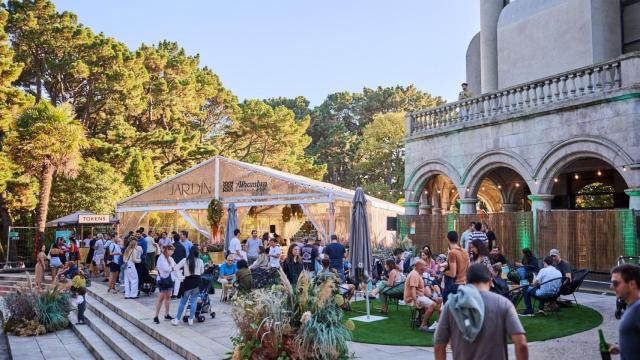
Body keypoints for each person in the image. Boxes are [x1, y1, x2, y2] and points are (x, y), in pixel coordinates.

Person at [434, 264, 528, 360]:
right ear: (491, 281)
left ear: (466, 281)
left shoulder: (452, 304)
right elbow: (521, 343)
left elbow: (439, 346)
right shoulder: (503, 303)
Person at [608, 264, 640, 359]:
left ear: (632, 284)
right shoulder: (631, 306)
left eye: (615, 283)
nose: (611, 287)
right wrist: (620, 349)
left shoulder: (638, 308)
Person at [404, 259, 441, 332]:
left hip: (419, 296)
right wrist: (415, 301)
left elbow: (421, 288)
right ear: (419, 266)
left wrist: (431, 296)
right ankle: (423, 325)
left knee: (437, 302)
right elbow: (413, 289)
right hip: (412, 298)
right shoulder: (414, 274)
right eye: (425, 266)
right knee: (433, 304)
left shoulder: (418, 274)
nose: (426, 268)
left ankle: (424, 320)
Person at [173, 246, 204, 326]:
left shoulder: (185, 260)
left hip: (187, 282)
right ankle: (191, 320)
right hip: (197, 282)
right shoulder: (200, 261)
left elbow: (175, 268)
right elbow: (202, 271)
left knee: (183, 302)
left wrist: (180, 277)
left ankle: (177, 319)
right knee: (194, 301)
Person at [442, 231, 470, 303]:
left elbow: (452, 273)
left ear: (448, 239)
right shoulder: (465, 251)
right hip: (464, 284)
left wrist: (443, 271)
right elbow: (468, 268)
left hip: (454, 286)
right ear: (457, 239)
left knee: (449, 312)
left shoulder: (452, 253)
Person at [154, 245, 176, 324]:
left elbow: (174, 265)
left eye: (173, 251)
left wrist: (172, 267)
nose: (172, 252)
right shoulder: (161, 258)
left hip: (170, 280)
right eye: (171, 250)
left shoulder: (170, 258)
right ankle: (156, 316)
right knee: (161, 298)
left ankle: (167, 314)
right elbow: (166, 269)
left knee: (168, 297)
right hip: (163, 280)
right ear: (167, 250)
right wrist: (172, 267)